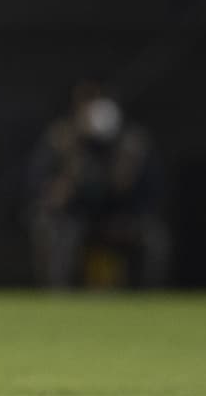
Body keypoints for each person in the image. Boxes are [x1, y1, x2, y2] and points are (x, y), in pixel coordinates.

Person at [25, 80, 170, 288]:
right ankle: (58, 296)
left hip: (119, 215)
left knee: (155, 238)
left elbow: (154, 191)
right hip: (75, 216)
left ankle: (147, 296)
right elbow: (38, 185)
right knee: (55, 231)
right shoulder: (61, 140)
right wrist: (61, 187)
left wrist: (130, 193)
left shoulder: (132, 144)